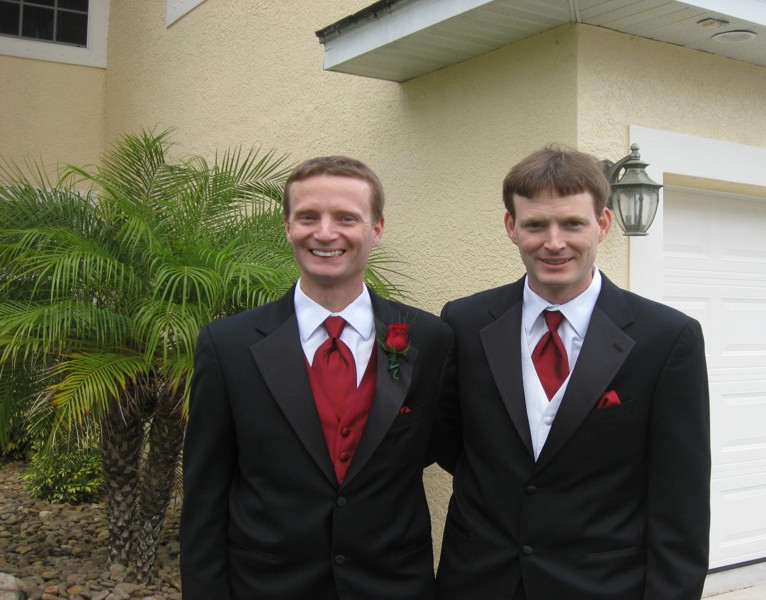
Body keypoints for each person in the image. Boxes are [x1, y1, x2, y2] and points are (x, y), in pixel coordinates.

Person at [434, 146, 711, 600]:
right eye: (536, 225)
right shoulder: (464, 323)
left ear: (602, 225)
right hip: (479, 580)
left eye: (572, 224)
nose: (554, 242)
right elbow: (452, 444)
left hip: (601, 585)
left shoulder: (666, 338)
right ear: (512, 227)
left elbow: (680, 500)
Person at [180, 156, 453, 599]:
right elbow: (205, 494)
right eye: (309, 217)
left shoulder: (430, 339)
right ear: (287, 225)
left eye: (347, 217)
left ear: (377, 228)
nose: (325, 233)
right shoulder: (227, 346)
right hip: (267, 586)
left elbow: (437, 447)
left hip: (392, 586)